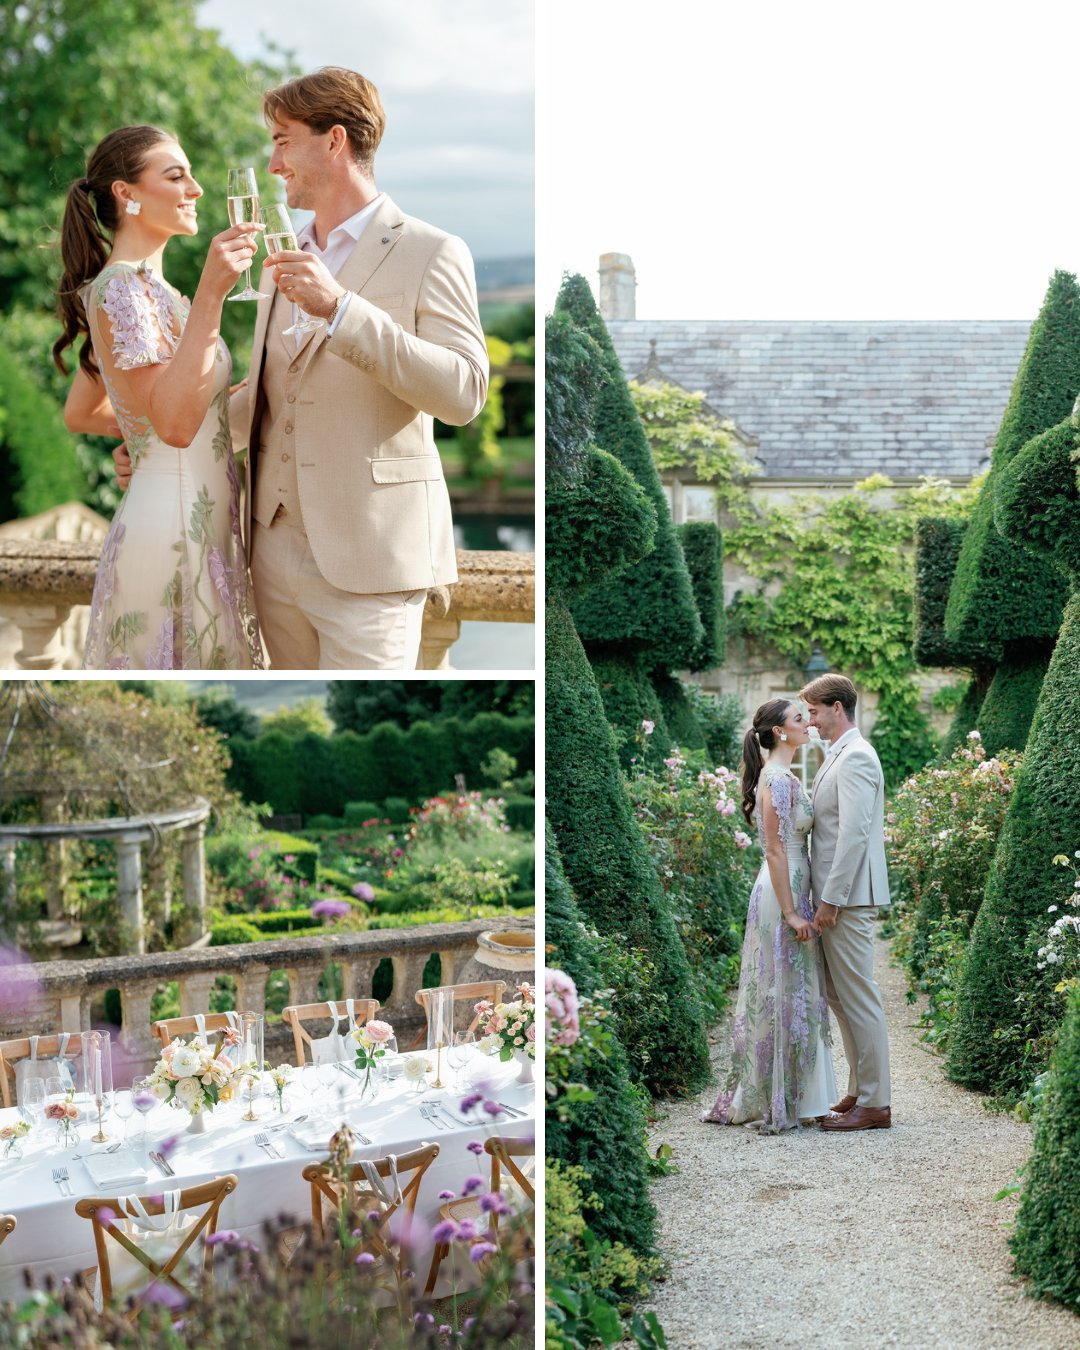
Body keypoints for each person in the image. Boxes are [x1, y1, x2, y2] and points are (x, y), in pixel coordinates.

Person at [236, 66, 489, 669]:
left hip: (373, 556)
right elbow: (271, 394)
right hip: (268, 549)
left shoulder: (432, 250)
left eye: (282, 140)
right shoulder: (284, 250)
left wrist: (342, 310)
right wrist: (162, 444)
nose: (273, 164)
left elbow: (464, 392)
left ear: (334, 140)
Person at [54, 125, 263, 670]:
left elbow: (85, 413)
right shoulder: (123, 289)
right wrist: (213, 292)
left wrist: (140, 440)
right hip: (171, 533)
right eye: (176, 175)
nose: (195, 189)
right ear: (128, 194)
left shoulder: (158, 293)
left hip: (204, 522)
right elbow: (172, 422)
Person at [703, 699, 837, 1132]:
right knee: (781, 987)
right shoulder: (777, 779)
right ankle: (779, 1095)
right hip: (782, 890)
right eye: (800, 719)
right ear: (780, 732)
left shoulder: (785, 775)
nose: (808, 724)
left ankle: (796, 1091)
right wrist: (791, 912)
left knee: (791, 988)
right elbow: (775, 849)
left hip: (794, 883)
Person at [801, 673, 892, 1131]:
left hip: (849, 897)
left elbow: (854, 835)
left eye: (815, 711)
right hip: (836, 895)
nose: (810, 720)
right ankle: (860, 1088)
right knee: (839, 995)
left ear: (838, 708)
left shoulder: (856, 756)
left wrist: (832, 900)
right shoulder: (836, 754)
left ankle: (876, 1103)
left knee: (859, 996)